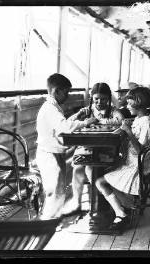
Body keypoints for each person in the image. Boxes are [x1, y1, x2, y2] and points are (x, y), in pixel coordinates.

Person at [35, 73, 98, 219]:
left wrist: (76, 116)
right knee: (53, 191)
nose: (68, 95)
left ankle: (53, 220)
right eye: (66, 92)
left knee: (59, 189)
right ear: (56, 91)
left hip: (54, 152)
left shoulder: (53, 106)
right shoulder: (50, 108)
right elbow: (64, 127)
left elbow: (60, 124)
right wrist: (86, 123)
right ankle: (47, 222)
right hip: (48, 154)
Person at [95, 86, 150, 231]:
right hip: (133, 162)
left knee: (100, 182)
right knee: (107, 170)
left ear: (138, 104)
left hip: (137, 166)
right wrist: (129, 125)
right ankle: (126, 206)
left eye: (129, 104)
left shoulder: (146, 123)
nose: (127, 106)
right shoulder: (141, 119)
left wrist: (128, 131)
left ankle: (121, 212)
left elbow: (141, 150)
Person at [62, 83, 124, 215]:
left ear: (109, 98)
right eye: (96, 99)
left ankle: (104, 205)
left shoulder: (113, 110)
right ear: (91, 98)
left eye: (103, 99)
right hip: (86, 147)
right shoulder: (87, 110)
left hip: (106, 148)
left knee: (91, 169)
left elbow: (121, 120)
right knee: (78, 168)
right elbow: (68, 123)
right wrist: (79, 115)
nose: (100, 102)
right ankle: (76, 202)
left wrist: (99, 121)